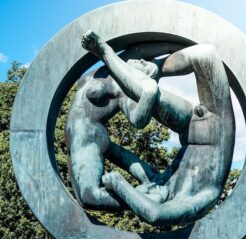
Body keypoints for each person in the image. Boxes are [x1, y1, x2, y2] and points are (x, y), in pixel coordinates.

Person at [65, 30, 235, 226]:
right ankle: (117, 57)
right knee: (204, 55)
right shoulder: (202, 196)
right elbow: (156, 215)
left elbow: (152, 203)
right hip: (212, 124)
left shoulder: (165, 186)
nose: (149, 192)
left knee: (202, 57)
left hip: (192, 126)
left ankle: (141, 73)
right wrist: (120, 185)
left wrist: (104, 146)